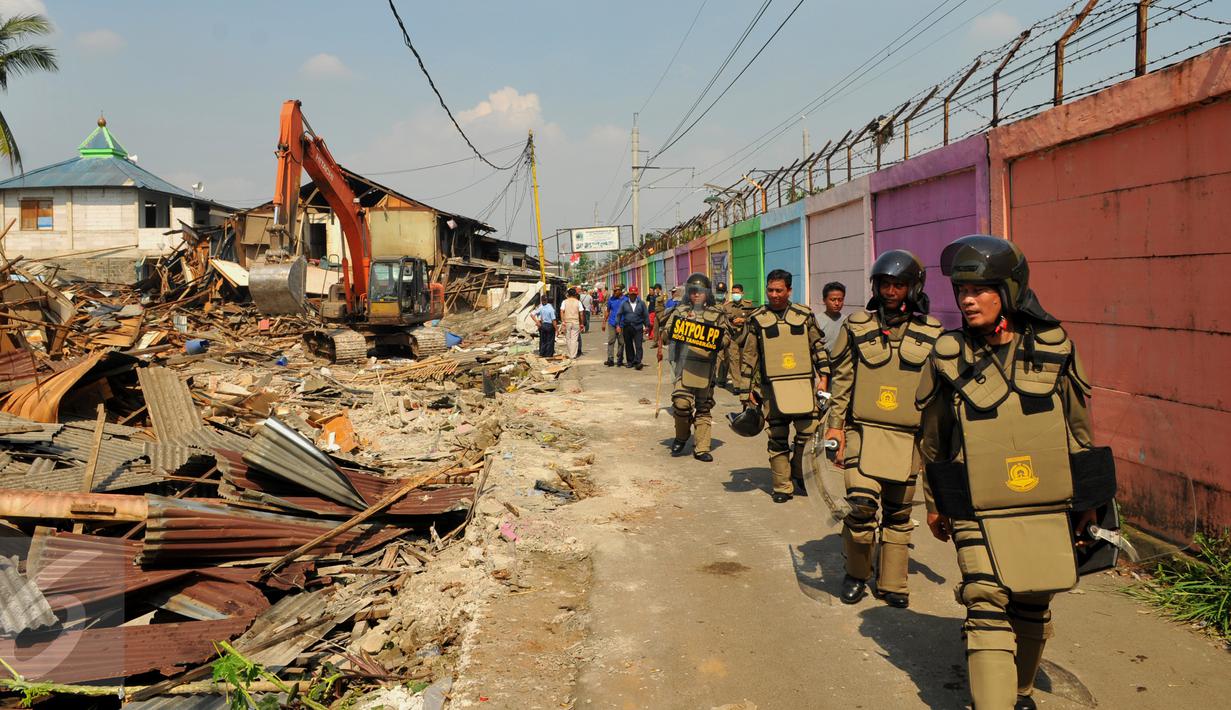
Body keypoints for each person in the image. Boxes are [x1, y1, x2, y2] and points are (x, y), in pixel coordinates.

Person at [917, 236, 1115, 710]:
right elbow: (933, 441)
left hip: (1046, 503)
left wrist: (1089, 505)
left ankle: (1019, 690)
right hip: (974, 503)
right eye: (962, 289)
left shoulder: (1054, 346)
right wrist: (935, 504)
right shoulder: (947, 354)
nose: (967, 298)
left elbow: (1079, 431)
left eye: (981, 288)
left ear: (1008, 290)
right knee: (985, 599)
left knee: (1032, 600)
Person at [824, 252, 941, 609]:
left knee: (898, 515)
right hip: (863, 432)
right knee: (860, 508)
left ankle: (892, 581)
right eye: (885, 284)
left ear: (912, 288)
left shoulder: (933, 334)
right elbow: (842, 381)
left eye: (899, 285)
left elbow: (936, 396)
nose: (891, 291)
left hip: (907, 440)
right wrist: (836, 428)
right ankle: (857, 574)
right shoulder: (856, 326)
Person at [739, 270, 830, 503]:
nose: (774, 295)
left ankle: (799, 473)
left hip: (803, 388)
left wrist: (824, 378)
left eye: (779, 290)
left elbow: (818, 347)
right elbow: (749, 356)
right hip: (772, 391)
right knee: (777, 438)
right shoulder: (757, 318)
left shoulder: (805, 315)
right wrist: (745, 391)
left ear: (789, 290)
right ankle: (782, 486)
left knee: (807, 435)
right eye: (770, 290)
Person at [657, 273, 729, 462]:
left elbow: (727, 338)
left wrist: (719, 341)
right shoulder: (680, 312)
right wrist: (671, 332)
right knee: (681, 404)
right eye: (693, 291)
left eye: (700, 292)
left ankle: (702, 447)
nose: (696, 295)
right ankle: (681, 436)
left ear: (707, 293)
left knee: (704, 408)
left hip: (706, 369)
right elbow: (664, 336)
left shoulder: (717, 314)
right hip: (683, 367)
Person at [718, 283, 757, 391]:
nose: (735, 295)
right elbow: (723, 321)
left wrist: (743, 320)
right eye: (733, 293)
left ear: (742, 293)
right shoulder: (727, 306)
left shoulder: (748, 305)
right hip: (733, 336)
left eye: (737, 293)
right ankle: (737, 385)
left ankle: (748, 382)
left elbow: (754, 319)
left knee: (745, 359)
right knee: (733, 359)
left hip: (745, 336)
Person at [618, 285, 649, 369]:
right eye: (631, 294)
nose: (633, 296)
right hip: (627, 327)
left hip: (638, 327)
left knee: (638, 345)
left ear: (637, 294)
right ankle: (630, 361)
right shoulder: (624, 304)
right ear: (629, 294)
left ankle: (638, 361)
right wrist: (618, 325)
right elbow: (619, 314)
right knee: (628, 345)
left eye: (634, 294)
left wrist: (647, 326)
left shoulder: (641, 304)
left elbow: (645, 315)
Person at [603, 284, 627, 367]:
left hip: (622, 324)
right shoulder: (611, 300)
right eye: (614, 291)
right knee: (611, 341)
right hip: (612, 323)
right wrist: (604, 322)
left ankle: (620, 358)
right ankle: (610, 359)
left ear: (620, 291)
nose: (614, 292)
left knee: (622, 342)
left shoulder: (626, 300)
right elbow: (608, 311)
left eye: (616, 290)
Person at [818, 281, 847, 351]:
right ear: (824, 300)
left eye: (840, 300)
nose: (837, 303)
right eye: (833, 300)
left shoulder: (847, 321)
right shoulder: (816, 321)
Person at [560, 288, 583, 359]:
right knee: (574, 339)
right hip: (575, 322)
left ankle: (570, 354)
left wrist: (563, 321)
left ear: (568, 294)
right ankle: (573, 355)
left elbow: (561, 311)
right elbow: (581, 313)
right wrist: (581, 323)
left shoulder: (564, 302)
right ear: (575, 294)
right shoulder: (578, 302)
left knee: (568, 338)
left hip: (567, 322)